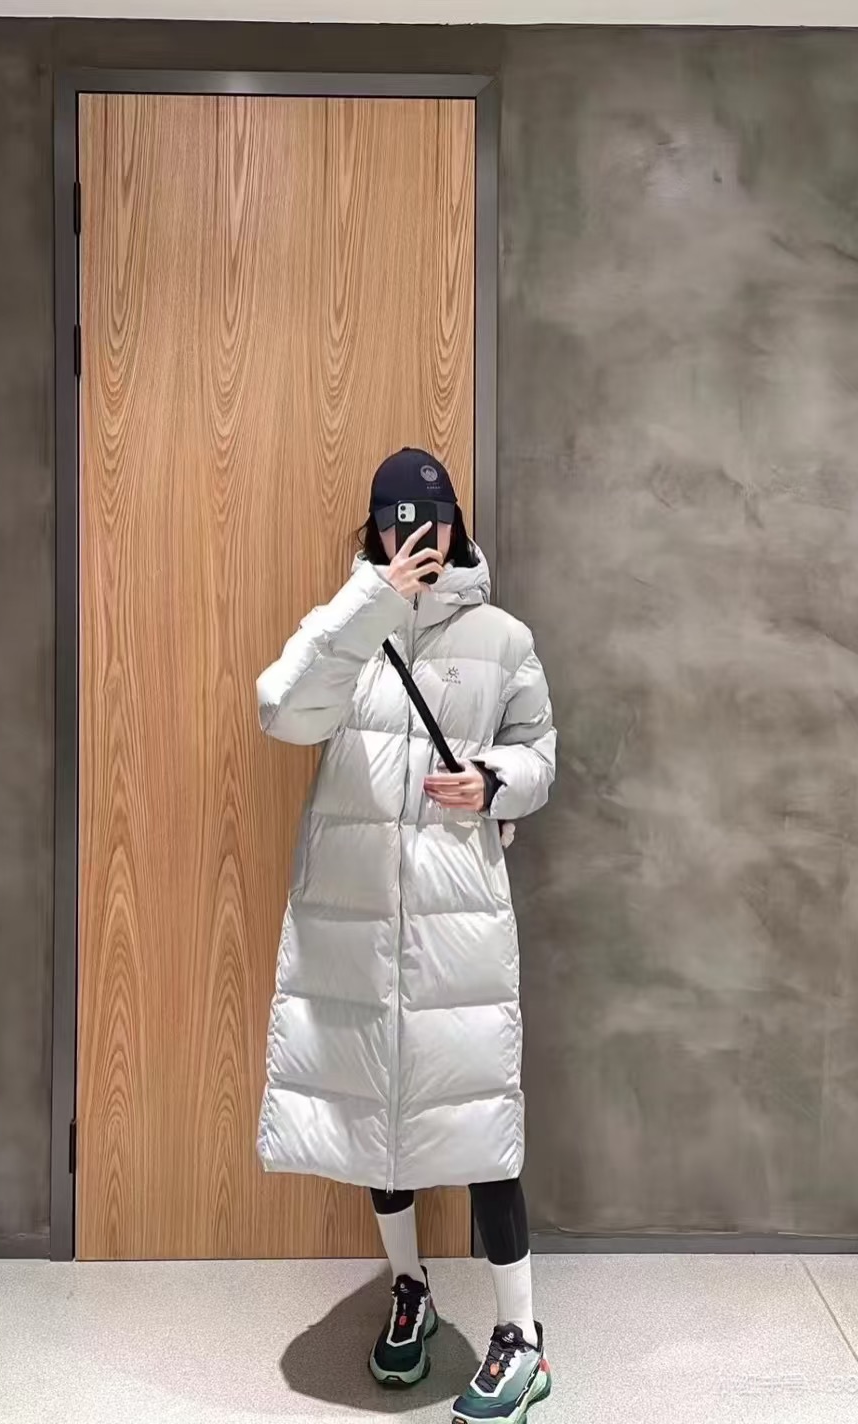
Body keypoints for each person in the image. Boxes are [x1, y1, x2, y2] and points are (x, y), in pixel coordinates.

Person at [255, 447, 556, 1424]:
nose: (413, 536)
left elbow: (539, 752)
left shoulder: (503, 637)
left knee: (481, 1125)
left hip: (457, 921)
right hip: (352, 920)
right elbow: (282, 710)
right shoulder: (346, 626)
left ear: (456, 525)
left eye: (429, 520)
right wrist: (372, 602)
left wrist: (494, 781)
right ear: (373, 528)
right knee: (372, 1119)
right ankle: (410, 1288)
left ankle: (521, 1337)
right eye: (394, 520)